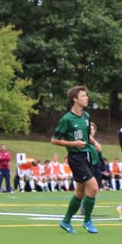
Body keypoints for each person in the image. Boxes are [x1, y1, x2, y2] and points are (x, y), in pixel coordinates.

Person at [52, 85, 102, 234]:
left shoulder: (86, 116)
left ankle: (66, 221)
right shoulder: (67, 119)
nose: (87, 98)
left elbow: (87, 136)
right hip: (76, 157)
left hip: (87, 156)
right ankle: (87, 220)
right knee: (93, 188)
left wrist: (94, 142)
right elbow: (54, 140)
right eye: (83, 96)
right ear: (75, 99)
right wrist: (73, 144)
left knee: (80, 192)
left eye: (86, 96)